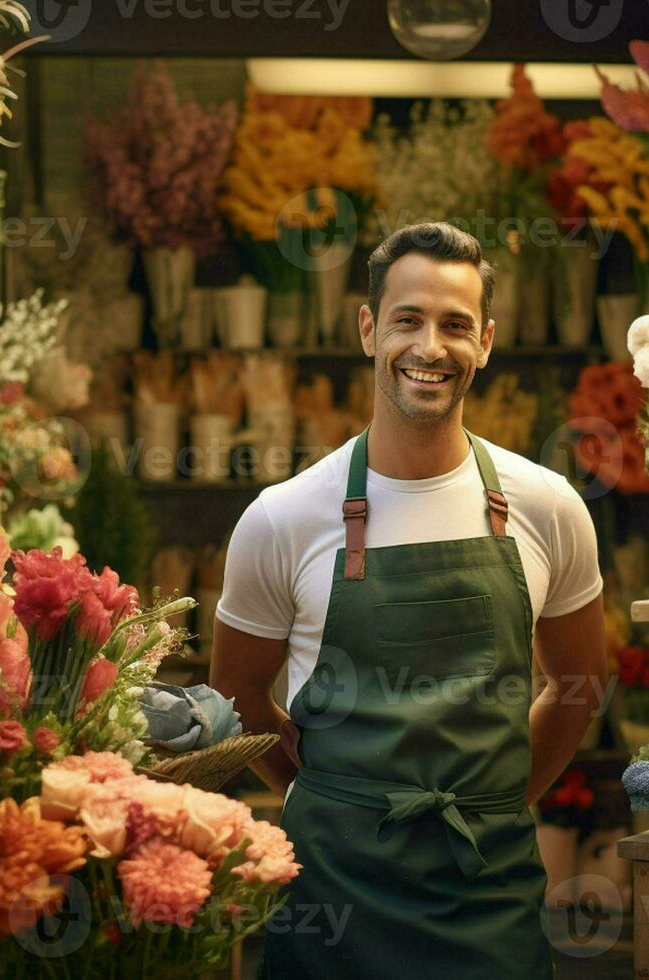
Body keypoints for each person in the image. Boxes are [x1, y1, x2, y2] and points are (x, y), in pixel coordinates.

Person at [211, 222, 607, 978]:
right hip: (338, 898)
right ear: (368, 329)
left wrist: (498, 798)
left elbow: (578, 688)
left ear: (485, 342)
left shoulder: (549, 505)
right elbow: (236, 697)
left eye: (456, 325)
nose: (431, 347)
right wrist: (331, 795)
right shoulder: (283, 517)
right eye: (408, 320)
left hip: (488, 894)